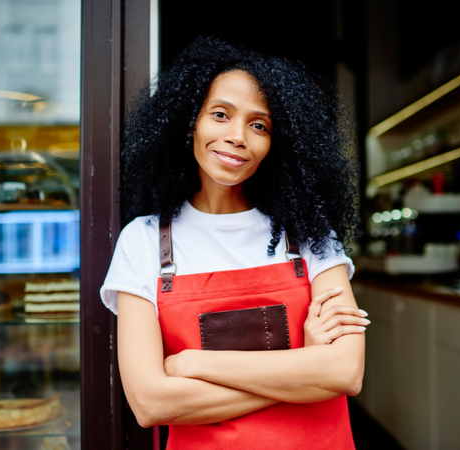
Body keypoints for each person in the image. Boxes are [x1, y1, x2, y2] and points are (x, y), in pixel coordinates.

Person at [101, 36, 369, 449]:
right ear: (191, 122)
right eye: (221, 115)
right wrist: (302, 371)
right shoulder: (143, 241)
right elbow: (150, 403)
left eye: (259, 125)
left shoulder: (311, 234)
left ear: (275, 144)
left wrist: (193, 365)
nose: (238, 136)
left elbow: (345, 373)